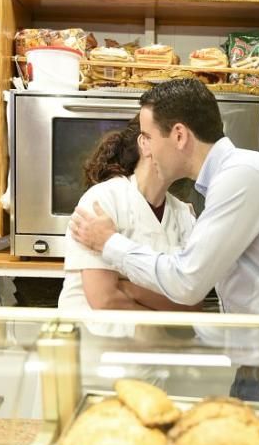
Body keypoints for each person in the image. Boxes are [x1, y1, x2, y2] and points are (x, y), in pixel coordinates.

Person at [69, 78, 259, 319]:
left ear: (179, 136)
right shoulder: (229, 179)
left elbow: (187, 283)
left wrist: (108, 243)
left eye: (149, 137)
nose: (146, 149)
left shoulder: (241, 175)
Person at [58, 115, 200, 312]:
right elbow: (104, 300)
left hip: (163, 342)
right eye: (178, 137)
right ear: (145, 143)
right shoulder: (102, 200)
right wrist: (165, 314)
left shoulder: (184, 214)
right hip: (94, 340)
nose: (190, 147)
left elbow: (193, 304)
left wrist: (129, 288)